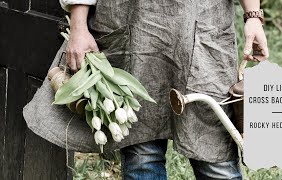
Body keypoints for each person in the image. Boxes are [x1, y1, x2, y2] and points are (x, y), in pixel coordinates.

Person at [59, 0, 269, 179]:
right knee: (141, 152)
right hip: (131, 24)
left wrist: (253, 15)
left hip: (204, 27)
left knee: (215, 152)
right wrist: (78, 26)